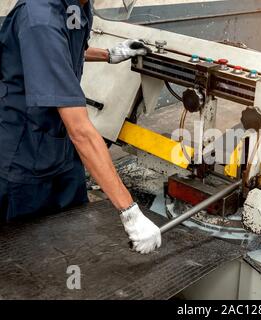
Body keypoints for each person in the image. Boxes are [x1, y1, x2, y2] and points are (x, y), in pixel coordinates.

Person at [0, 0, 161, 254]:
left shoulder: (79, 7)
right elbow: (81, 131)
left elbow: (66, 51)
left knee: (73, 235)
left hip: (59, 146)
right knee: (22, 253)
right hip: (24, 152)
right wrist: (129, 212)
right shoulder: (39, 16)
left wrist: (111, 54)